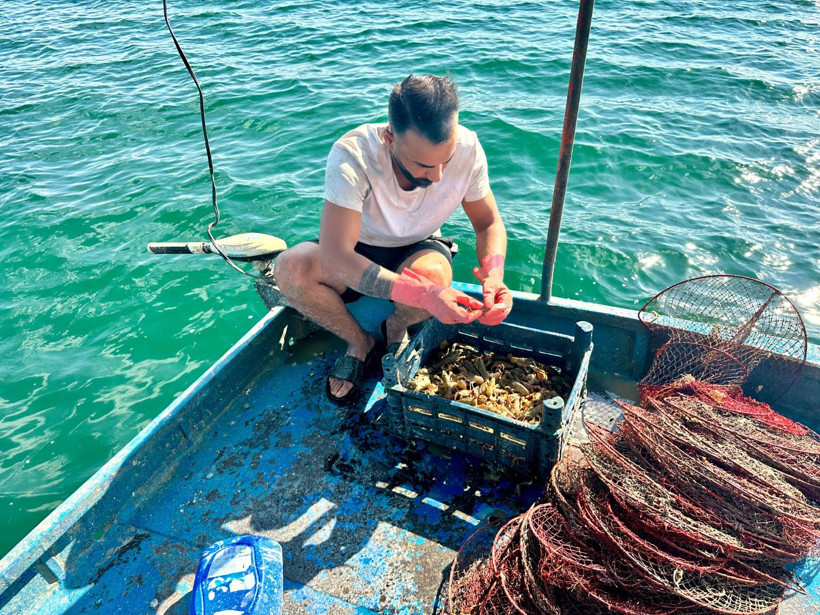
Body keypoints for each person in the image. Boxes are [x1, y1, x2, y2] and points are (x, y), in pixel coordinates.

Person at [274, 73, 513, 404]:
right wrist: (425, 296)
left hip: (418, 245)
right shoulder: (353, 154)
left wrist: (494, 275)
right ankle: (359, 342)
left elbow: (488, 222)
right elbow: (335, 257)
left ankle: (396, 328)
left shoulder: (470, 150)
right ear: (389, 138)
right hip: (356, 247)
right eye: (423, 165)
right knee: (289, 268)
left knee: (436, 276)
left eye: (447, 159)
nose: (438, 175)